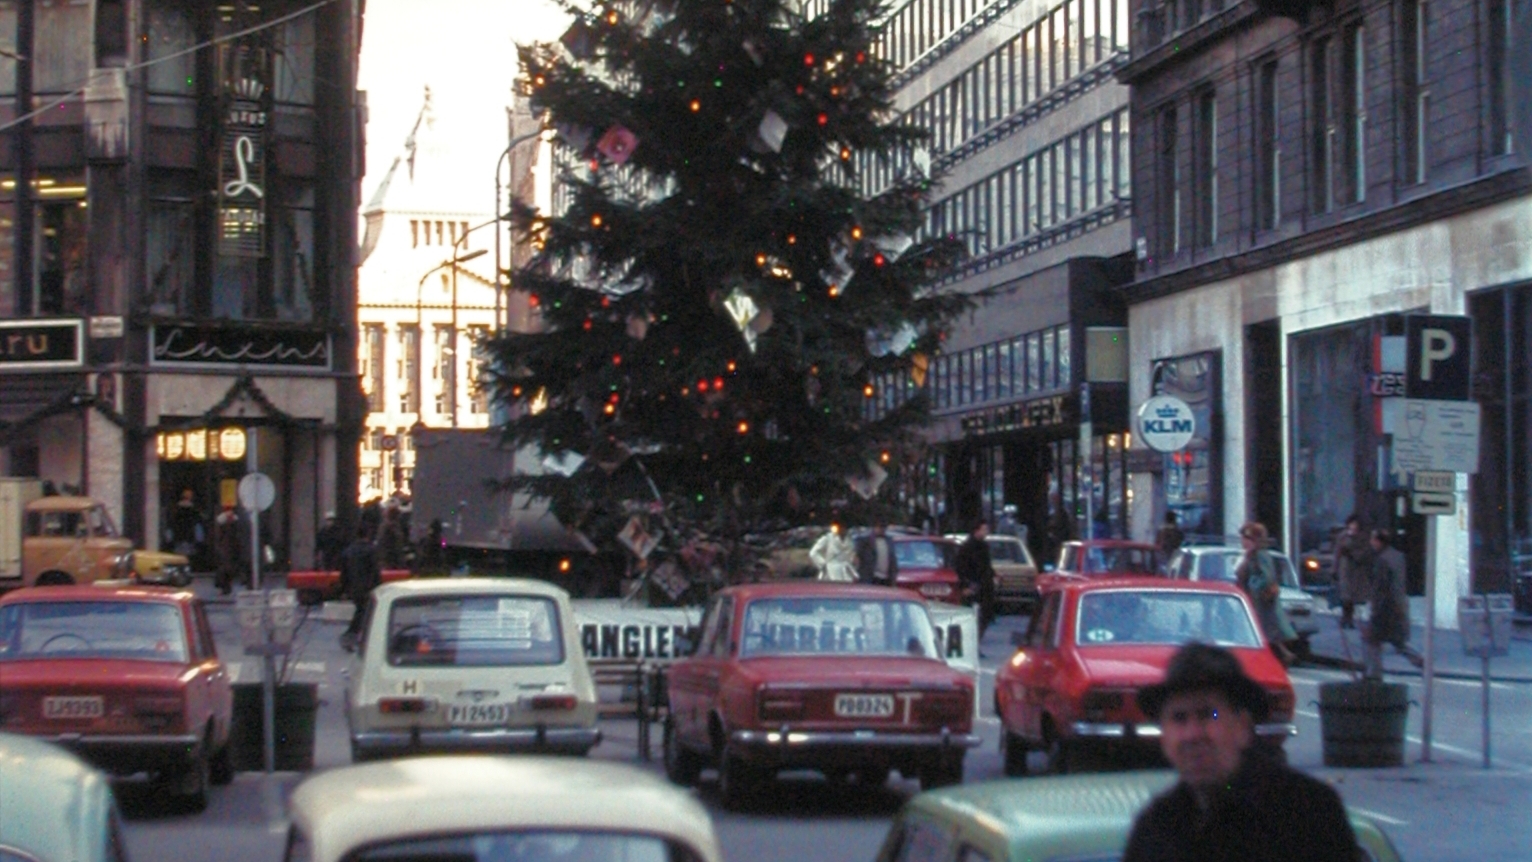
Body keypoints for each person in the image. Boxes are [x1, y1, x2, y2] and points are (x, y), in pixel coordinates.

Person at [1125, 642, 1362, 862]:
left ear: (1243, 727)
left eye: (1209, 715)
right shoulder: (1157, 826)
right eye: (1179, 718)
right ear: (1164, 736)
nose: (1192, 734)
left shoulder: (1307, 813)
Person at [1362, 529, 1424, 679]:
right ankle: (1419, 660)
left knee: (1372, 640)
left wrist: (1374, 611)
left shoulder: (1382, 560)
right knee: (1398, 642)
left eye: (1373, 540)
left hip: (1386, 609)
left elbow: (1380, 588)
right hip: (1399, 606)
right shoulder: (1398, 556)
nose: (1371, 543)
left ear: (1378, 541)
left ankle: (1374, 674)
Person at [1234, 521, 1297, 666]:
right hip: (1254, 600)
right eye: (1243, 539)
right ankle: (1280, 656)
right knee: (1263, 634)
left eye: (1247, 539)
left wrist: (1253, 586)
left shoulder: (1260, 555)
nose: (1243, 543)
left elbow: (1266, 576)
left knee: (1263, 633)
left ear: (1254, 541)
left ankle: (1280, 658)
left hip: (1261, 602)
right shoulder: (1250, 555)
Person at [339, 526, 381, 651]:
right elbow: (374, 571)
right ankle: (351, 636)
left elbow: (344, 573)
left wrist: (344, 589)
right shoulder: (371, 550)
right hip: (368, 587)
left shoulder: (348, 551)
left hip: (354, 587)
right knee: (363, 613)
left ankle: (358, 638)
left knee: (362, 612)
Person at [955, 521, 996, 640]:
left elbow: (986, 565)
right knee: (970, 615)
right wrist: (964, 586)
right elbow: (960, 568)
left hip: (985, 585)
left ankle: (977, 639)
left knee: (986, 615)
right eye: (984, 529)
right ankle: (971, 640)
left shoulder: (984, 546)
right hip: (972, 584)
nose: (986, 532)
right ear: (976, 530)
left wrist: (993, 575)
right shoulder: (967, 547)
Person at [1334, 514, 1372, 630]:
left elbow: (1365, 553)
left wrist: (1352, 554)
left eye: (1356, 524)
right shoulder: (1342, 536)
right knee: (1345, 594)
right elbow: (1337, 553)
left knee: (1352, 595)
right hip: (1344, 568)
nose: (1353, 526)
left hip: (1356, 570)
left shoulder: (1362, 538)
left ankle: (1349, 618)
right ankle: (1345, 617)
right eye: (1352, 524)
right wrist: (1334, 569)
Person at [212, 504, 243, 595]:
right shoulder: (234, 521)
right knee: (227, 569)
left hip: (226, 549)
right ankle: (226, 587)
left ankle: (225, 587)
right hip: (229, 549)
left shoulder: (222, 521)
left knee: (225, 569)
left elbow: (218, 536)